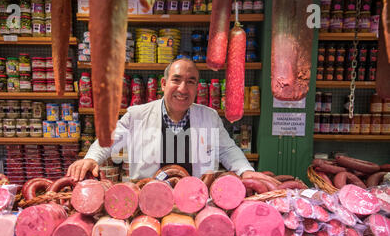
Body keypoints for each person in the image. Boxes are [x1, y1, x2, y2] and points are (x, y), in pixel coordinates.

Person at [67, 57, 275, 184]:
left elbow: (228, 150)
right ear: (164, 83)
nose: (183, 89)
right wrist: (92, 158)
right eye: (176, 80)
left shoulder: (209, 116)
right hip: (147, 198)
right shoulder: (138, 114)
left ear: (196, 87)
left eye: (191, 82)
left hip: (194, 201)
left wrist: (246, 171)